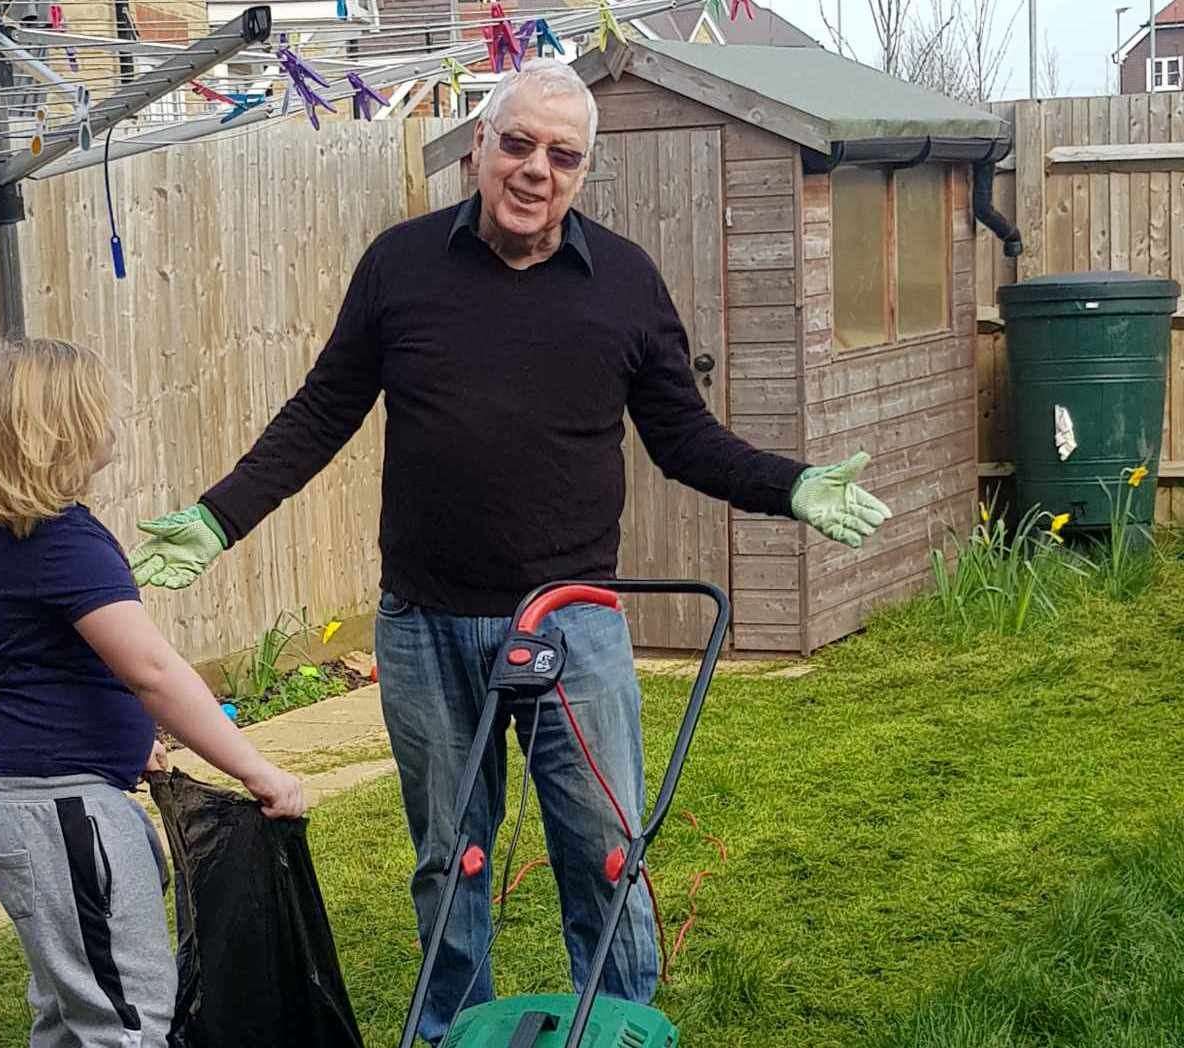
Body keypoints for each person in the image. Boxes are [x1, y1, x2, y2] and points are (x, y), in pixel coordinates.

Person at [128, 60, 890, 1044]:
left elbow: (684, 440)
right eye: (519, 143)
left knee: (606, 853)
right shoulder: (399, 266)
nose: (536, 169)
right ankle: (449, 1031)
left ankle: (620, 1024)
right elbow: (323, 409)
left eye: (562, 156)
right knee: (451, 860)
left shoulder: (622, 282)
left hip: (574, 624)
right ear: (480, 144)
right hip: (426, 622)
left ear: (582, 173)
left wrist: (789, 483)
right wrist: (220, 516)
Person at [0, 338, 306, 1047]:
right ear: (59, 431)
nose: (113, 418)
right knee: (127, 1021)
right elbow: (153, 672)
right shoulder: (63, 541)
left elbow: (53, 665)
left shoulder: (20, 535)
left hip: (34, 800)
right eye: (97, 406)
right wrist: (259, 771)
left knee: (74, 1014)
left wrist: (133, 744)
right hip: (59, 808)